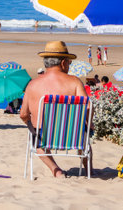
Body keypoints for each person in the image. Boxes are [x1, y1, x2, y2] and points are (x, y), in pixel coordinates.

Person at [20, 41, 92, 178]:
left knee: (37, 142)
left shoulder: (33, 84)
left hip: (45, 136)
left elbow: (23, 114)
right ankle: (89, 170)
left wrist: (30, 125)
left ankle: (56, 171)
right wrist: (89, 123)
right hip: (75, 135)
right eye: (69, 63)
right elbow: (87, 107)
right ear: (63, 62)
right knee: (85, 137)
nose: (69, 65)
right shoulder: (75, 82)